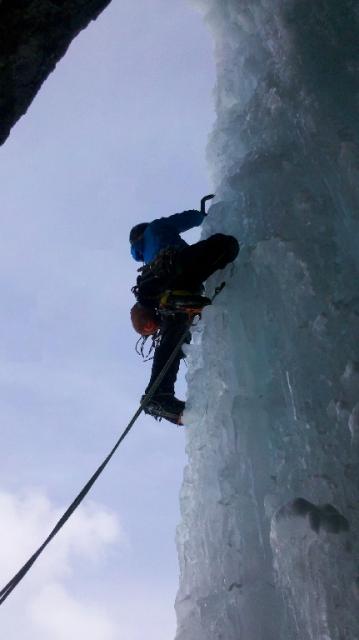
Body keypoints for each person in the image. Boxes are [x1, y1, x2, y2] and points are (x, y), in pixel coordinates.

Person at [129, 196, 239, 425]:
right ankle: (177, 299)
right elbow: (187, 218)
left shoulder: (144, 261)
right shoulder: (155, 228)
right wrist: (205, 217)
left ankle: (158, 395)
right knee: (225, 245)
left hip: (157, 291)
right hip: (175, 270)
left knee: (174, 334)